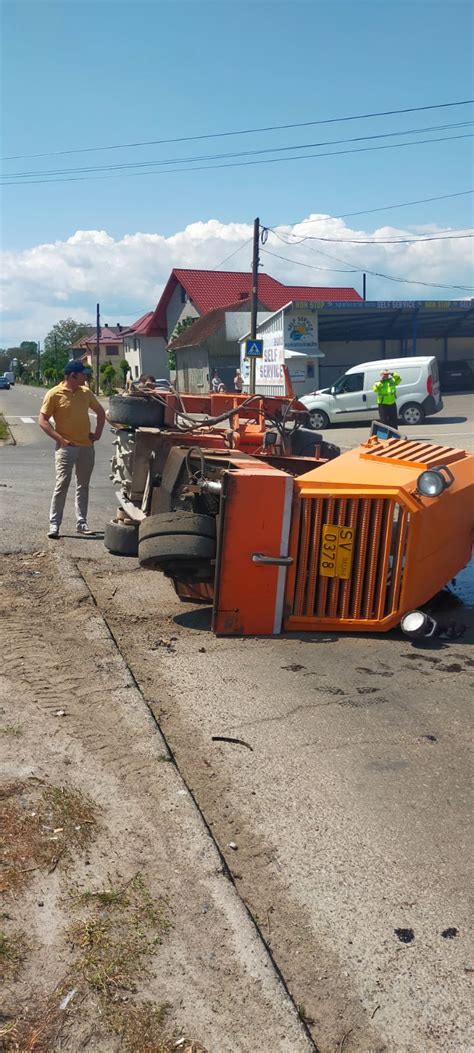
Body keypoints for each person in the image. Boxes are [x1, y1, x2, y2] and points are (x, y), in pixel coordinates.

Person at [38, 360, 106, 539]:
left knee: (83, 486)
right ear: (73, 375)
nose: (86, 377)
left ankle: (81, 523)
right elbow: (43, 420)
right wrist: (60, 439)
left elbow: (100, 412)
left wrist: (97, 434)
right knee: (62, 485)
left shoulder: (86, 392)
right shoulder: (54, 394)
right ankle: (54, 525)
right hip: (66, 448)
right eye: (84, 374)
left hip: (86, 447)